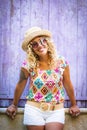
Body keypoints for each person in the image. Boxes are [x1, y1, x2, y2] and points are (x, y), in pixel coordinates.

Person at [6, 27, 80, 130]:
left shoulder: (62, 62)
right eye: (34, 44)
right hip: (33, 109)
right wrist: (14, 105)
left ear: (48, 41)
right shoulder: (28, 64)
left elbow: (67, 83)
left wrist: (74, 104)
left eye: (42, 40)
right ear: (30, 49)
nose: (40, 45)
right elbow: (20, 84)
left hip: (56, 110)